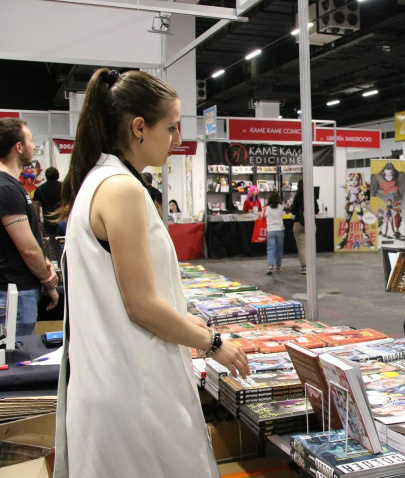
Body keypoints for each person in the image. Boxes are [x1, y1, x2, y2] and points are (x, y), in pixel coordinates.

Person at [53, 69, 249, 478]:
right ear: (139, 127)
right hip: (132, 385)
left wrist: (182, 317)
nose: (177, 140)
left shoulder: (101, 181)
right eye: (172, 127)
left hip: (112, 378)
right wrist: (213, 343)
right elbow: (140, 303)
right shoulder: (121, 189)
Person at [0, 118, 59, 336]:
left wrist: (45, 265)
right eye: (31, 141)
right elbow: (27, 248)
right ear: (19, 147)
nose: (34, 146)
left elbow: (30, 241)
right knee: (15, 364)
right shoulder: (6, 188)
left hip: (18, 290)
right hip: (13, 293)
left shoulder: (12, 186)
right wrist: (48, 280)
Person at [33, 166, 64, 258]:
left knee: (52, 246)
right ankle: (65, 265)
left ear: (46, 176)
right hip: (64, 220)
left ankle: (55, 266)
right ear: (57, 176)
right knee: (66, 244)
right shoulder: (64, 187)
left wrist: (38, 221)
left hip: (48, 221)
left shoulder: (40, 189)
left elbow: (36, 207)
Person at [290, 182, 318, 274]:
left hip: (299, 223)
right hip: (310, 223)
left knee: (302, 247)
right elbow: (317, 210)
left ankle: (305, 267)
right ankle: (311, 265)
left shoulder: (298, 196)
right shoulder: (311, 196)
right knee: (311, 246)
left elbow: (293, 211)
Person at [264, 191, 285, 274]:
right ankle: (278, 266)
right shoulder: (281, 206)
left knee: (270, 248)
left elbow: (265, 216)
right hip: (280, 229)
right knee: (279, 249)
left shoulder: (267, 208)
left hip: (270, 230)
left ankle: (270, 266)